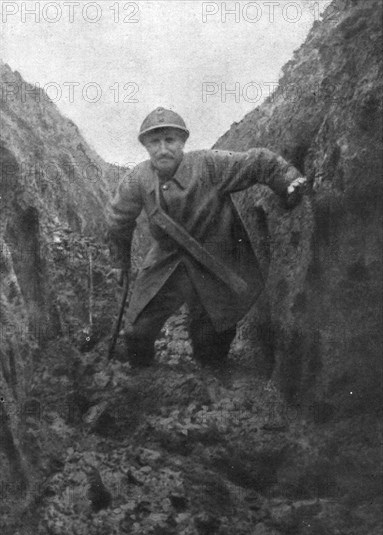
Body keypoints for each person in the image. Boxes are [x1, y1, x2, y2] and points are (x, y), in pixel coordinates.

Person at [107, 107, 305, 369]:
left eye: (170, 140)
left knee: (211, 344)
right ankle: (143, 381)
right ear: (146, 146)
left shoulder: (209, 165)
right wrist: (120, 262)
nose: (163, 149)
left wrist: (287, 179)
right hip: (166, 262)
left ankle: (212, 377)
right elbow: (118, 221)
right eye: (154, 142)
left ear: (183, 143)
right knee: (137, 333)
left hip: (213, 261)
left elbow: (256, 162)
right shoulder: (137, 180)